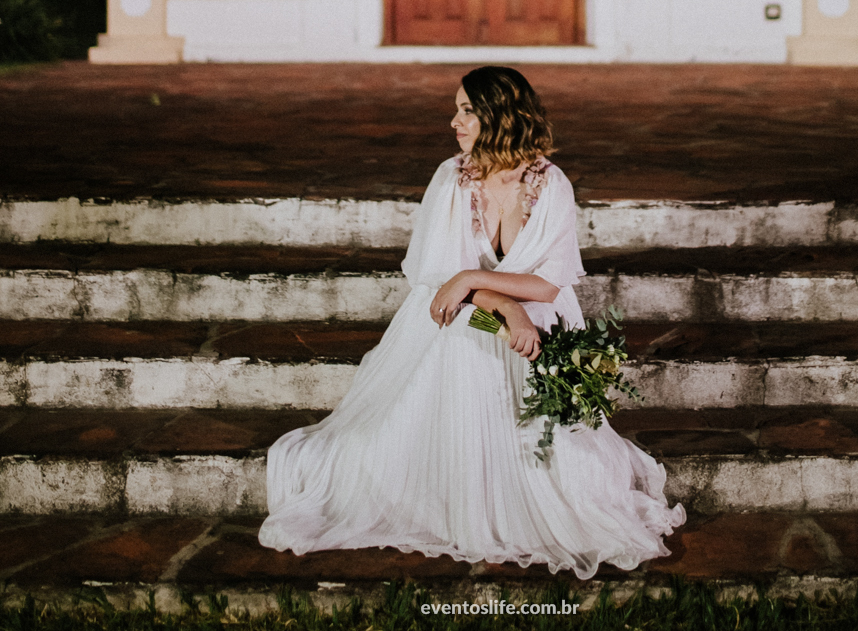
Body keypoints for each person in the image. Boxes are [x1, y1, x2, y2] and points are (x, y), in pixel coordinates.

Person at [259, 66, 686, 578]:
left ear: (499, 116)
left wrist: (484, 288)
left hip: (540, 317)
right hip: (468, 315)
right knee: (464, 340)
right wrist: (501, 306)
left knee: (547, 400)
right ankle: (461, 480)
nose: (454, 122)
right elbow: (441, 288)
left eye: (466, 110)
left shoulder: (550, 184)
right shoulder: (453, 178)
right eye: (457, 109)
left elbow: (549, 285)